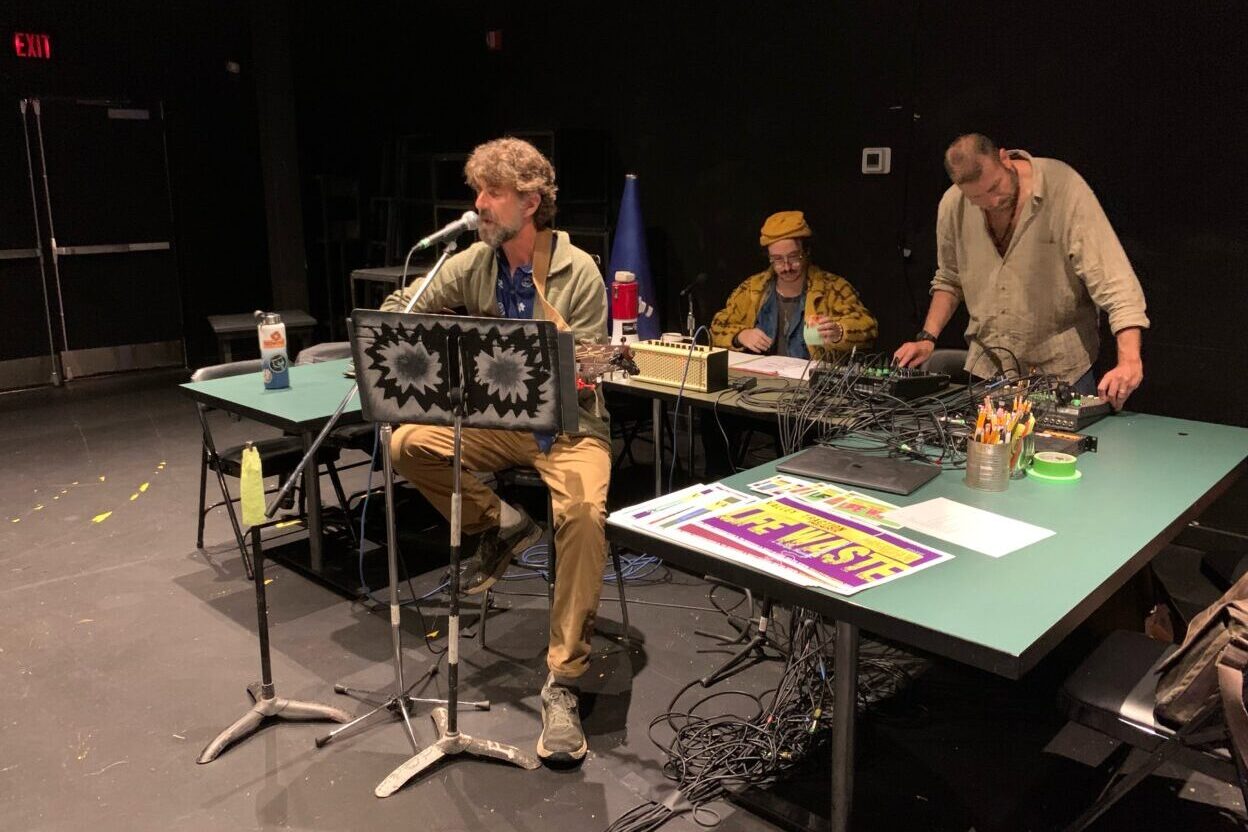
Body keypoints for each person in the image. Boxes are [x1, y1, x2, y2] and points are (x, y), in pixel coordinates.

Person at [380, 137, 609, 767]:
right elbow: (403, 308)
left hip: (569, 430)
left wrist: (564, 352)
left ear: (530, 202)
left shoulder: (577, 271)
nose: (479, 204)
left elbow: (589, 369)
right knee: (409, 441)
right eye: (477, 192)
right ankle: (501, 523)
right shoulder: (471, 262)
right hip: (497, 423)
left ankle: (563, 682)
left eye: (493, 193)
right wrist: (426, 334)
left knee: (584, 514)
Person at [893, 134, 1149, 408]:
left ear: (1004, 158)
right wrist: (927, 338)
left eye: (995, 187)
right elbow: (949, 279)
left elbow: (1113, 279)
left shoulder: (1062, 187)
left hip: (1062, 372)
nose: (991, 202)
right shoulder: (953, 204)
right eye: (976, 198)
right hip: (988, 372)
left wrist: (1129, 360)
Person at [710, 210, 877, 359]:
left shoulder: (833, 288)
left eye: (793, 257)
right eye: (777, 260)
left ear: (806, 252)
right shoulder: (753, 289)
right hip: (760, 382)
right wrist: (740, 335)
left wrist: (839, 332)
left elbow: (868, 328)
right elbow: (717, 326)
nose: (786, 267)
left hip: (812, 385)